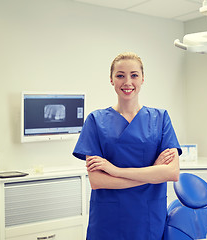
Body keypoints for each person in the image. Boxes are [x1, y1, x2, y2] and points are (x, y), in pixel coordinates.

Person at [73, 52, 182, 240]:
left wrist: (114, 170)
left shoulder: (161, 118)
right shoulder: (95, 121)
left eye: (134, 75)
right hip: (109, 218)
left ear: (142, 79)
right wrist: (153, 172)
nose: (127, 82)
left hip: (147, 217)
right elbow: (98, 181)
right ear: (111, 80)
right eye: (120, 75)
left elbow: (171, 173)